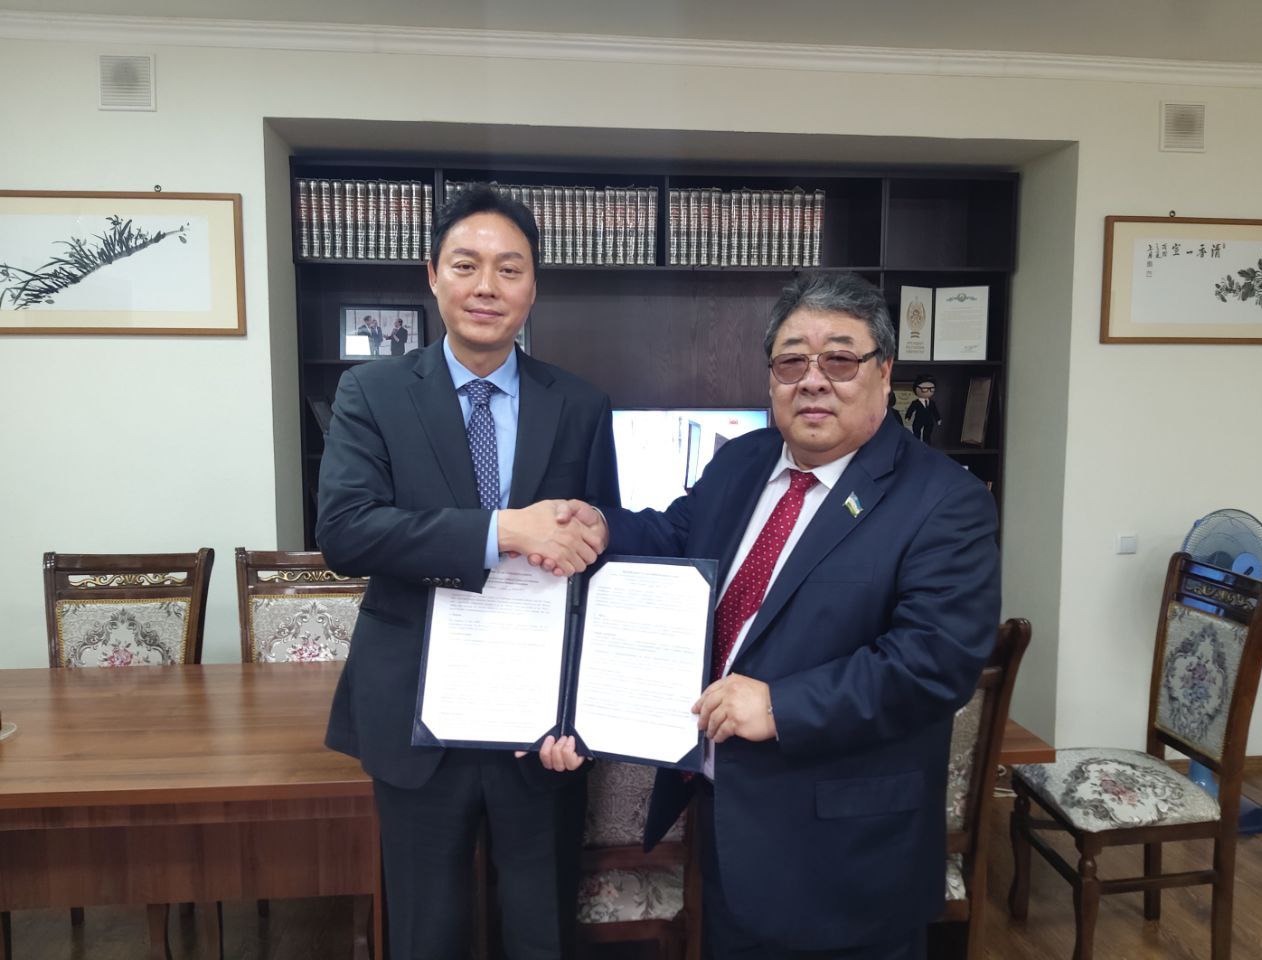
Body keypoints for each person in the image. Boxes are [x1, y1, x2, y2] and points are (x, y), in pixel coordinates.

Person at [550, 271, 1000, 959]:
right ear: (771, 378)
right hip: (731, 829)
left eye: (839, 359)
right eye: (792, 361)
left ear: (884, 373)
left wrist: (781, 706)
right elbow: (679, 535)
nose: (813, 380)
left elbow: (932, 663)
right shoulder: (743, 460)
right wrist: (603, 527)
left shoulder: (945, 501)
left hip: (847, 858)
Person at [316, 184, 620, 960]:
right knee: (426, 932)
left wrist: (581, 705)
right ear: (433, 276)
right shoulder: (372, 392)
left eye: (509, 269)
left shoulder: (580, 405)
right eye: (466, 265)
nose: (487, 286)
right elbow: (346, 532)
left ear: (532, 287)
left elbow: (598, 569)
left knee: (541, 929)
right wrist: (502, 530)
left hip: (538, 725)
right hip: (418, 712)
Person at [904, 373, 942, 445]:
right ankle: (916, 444)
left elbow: (935, 411)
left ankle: (926, 444)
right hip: (918, 420)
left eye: (931, 389)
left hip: (929, 421)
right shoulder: (915, 402)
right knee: (916, 433)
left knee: (927, 434)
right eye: (925, 389)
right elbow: (910, 410)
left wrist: (938, 419)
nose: (928, 391)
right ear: (916, 389)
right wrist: (908, 417)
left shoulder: (932, 403)